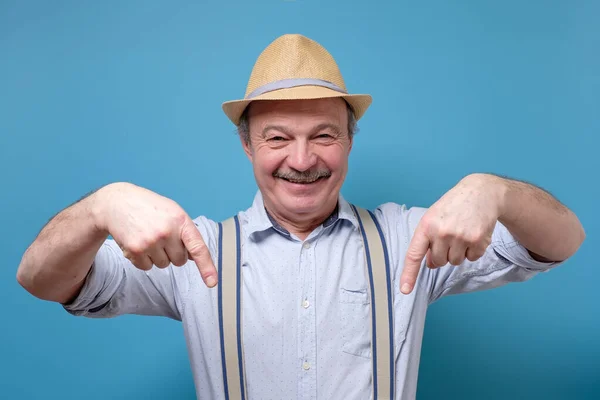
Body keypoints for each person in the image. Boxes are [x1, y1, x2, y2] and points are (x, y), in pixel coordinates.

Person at [17, 34, 585, 400]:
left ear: (350, 141)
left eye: (324, 135)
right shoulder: (193, 251)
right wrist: (100, 207)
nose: (303, 159)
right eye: (277, 138)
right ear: (246, 146)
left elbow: (564, 241)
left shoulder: (410, 239)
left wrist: (497, 191)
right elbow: (40, 280)